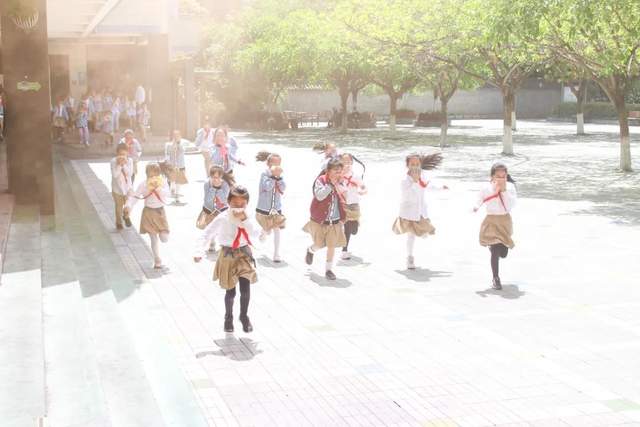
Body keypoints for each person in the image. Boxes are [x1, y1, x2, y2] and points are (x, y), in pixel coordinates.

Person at [194, 186, 258, 333]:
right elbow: (207, 233)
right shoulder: (223, 218)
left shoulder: (248, 216)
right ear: (229, 202)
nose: (239, 207)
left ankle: (244, 316)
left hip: (243, 254)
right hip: (228, 255)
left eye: (242, 204)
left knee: (245, 289)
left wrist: (245, 220)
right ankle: (228, 318)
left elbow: (256, 233)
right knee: (231, 292)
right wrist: (199, 251)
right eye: (235, 203)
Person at [392, 153, 448, 270]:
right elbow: (407, 196)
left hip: (421, 211)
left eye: (417, 164)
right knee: (411, 236)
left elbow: (428, 186)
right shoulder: (404, 180)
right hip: (409, 212)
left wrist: (440, 188)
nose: (415, 166)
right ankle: (409, 257)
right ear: (407, 165)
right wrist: (414, 181)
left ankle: (421, 233)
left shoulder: (422, 176)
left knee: (424, 233)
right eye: (412, 164)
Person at [473, 162, 517, 290]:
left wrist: (504, 191)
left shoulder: (510, 187)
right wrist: (475, 207)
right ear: (492, 176)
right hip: (491, 220)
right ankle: (496, 278)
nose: (501, 179)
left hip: (504, 220)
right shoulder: (486, 188)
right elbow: (480, 198)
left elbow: (512, 205)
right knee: (495, 248)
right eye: (498, 176)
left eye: (503, 176)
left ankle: (496, 249)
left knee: (503, 253)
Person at [303, 158, 346, 280]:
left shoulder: (341, 182)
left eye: (340, 171)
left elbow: (344, 196)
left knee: (331, 245)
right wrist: (331, 185)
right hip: (319, 220)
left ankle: (328, 270)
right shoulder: (321, 180)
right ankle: (311, 250)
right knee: (319, 244)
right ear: (328, 170)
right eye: (336, 171)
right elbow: (319, 196)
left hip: (334, 220)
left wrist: (340, 185)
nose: (338, 173)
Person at [125, 163, 171, 269]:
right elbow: (135, 197)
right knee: (153, 238)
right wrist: (128, 206)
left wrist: (159, 189)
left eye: (156, 174)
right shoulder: (143, 184)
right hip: (148, 212)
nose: (153, 176)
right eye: (151, 174)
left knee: (164, 238)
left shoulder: (162, 182)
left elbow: (168, 194)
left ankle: (162, 238)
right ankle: (157, 259)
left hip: (160, 212)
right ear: (147, 174)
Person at [255, 151, 286, 262]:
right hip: (264, 208)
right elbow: (267, 187)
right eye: (274, 163)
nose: (277, 166)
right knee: (267, 228)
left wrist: (279, 178)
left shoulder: (280, 176)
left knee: (277, 229)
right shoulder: (264, 174)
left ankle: (276, 254)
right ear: (268, 164)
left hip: (276, 208)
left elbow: (283, 188)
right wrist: (273, 177)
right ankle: (264, 231)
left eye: (279, 164)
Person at [338, 153, 367, 260]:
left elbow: (363, 186)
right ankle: (344, 251)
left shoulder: (356, 176)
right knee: (347, 227)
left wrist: (363, 191)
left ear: (352, 163)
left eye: (349, 162)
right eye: (344, 162)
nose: (347, 164)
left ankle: (345, 234)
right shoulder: (338, 176)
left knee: (354, 230)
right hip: (343, 204)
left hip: (354, 204)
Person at [196, 165, 231, 252]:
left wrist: (218, 188)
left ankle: (222, 243)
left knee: (221, 227)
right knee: (210, 226)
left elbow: (224, 200)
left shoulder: (225, 185)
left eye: (218, 177)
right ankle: (212, 242)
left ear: (221, 176)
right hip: (209, 209)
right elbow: (207, 199)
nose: (215, 179)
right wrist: (213, 188)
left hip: (222, 210)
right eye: (213, 177)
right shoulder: (207, 184)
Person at [110, 143, 134, 230]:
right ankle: (119, 223)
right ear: (117, 153)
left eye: (124, 154)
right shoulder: (113, 161)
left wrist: (124, 164)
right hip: (117, 189)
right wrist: (119, 165)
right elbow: (115, 175)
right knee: (119, 207)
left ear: (127, 153)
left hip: (128, 188)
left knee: (128, 205)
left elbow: (130, 174)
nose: (122, 156)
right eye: (120, 154)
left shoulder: (130, 161)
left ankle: (126, 216)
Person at [164, 130, 189, 203]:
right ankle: (172, 189)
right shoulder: (168, 144)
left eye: (178, 135)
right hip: (172, 165)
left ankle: (177, 196)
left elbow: (182, 151)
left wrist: (178, 143)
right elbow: (167, 154)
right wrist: (168, 163)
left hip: (180, 165)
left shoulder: (183, 143)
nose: (176, 137)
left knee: (178, 182)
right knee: (172, 181)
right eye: (174, 135)